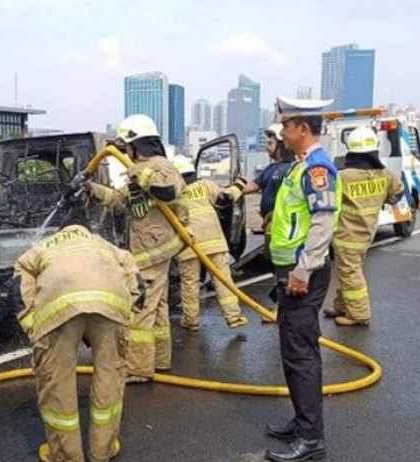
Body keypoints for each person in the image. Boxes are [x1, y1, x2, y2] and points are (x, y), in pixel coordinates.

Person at [13, 224, 146, 462]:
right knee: (110, 375)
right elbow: (136, 280)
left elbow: (20, 276)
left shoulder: (44, 246)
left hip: (59, 310)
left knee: (57, 379)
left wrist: (32, 325)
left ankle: (66, 457)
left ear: (61, 232)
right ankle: (102, 451)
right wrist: (126, 314)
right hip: (111, 305)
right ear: (84, 230)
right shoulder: (104, 245)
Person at [264, 96, 341, 462]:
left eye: (286, 126)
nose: (282, 132)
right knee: (292, 352)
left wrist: (302, 270)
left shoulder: (317, 168)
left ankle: (311, 437)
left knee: (301, 354)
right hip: (291, 272)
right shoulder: (300, 166)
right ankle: (302, 422)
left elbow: (323, 222)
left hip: (302, 274)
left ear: (303, 129)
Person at [84, 114, 187, 383]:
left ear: (135, 144)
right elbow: (120, 200)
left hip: (153, 250)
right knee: (158, 306)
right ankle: (161, 360)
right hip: (151, 250)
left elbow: (170, 191)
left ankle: (139, 369)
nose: (123, 152)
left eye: (125, 146)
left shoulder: (159, 166)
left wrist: (140, 174)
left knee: (140, 307)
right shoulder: (138, 169)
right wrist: (91, 189)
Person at [324, 126, 405, 326]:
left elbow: (328, 203)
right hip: (367, 233)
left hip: (347, 234)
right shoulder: (385, 174)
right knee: (349, 269)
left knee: (350, 273)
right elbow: (398, 197)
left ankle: (359, 314)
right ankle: (342, 306)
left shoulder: (343, 176)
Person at [172, 156, 249, 331]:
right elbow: (225, 198)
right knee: (223, 279)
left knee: (190, 283)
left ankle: (191, 321)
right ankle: (233, 317)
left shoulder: (175, 194)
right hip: (214, 242)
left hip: (189, 245)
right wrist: (239, 185)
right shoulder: (205, 185)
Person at [242, 123, 298, 220]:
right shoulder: (271, 168)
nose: (267, 147)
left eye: (270, 143)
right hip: (270, 223)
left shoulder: (293, 169)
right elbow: (252, 186)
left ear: (281, 145)